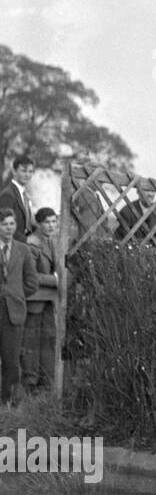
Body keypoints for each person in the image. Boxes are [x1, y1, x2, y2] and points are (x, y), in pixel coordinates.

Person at [0, 207, 38, 403]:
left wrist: (17, 295)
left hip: (13, 312)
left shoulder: (23, 250)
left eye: (12, 224)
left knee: (11, 361)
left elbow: (32, 282)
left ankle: (7, 403)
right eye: (4, 224)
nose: (9, 228)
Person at [21, 208, 59, 393]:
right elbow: (30, 275)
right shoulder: (32, 244)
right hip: (35, 299)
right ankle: (29, 382)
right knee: (31, 341)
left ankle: (46, 381)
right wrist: (56, 280)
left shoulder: (53, 241)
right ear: (38, 223)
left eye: (54, 221)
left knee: (48, 339)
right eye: (47, 222)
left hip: (49, 300)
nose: (51, 226)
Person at [0, 156, 35, 239]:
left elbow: (28, 225)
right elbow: (5, 227)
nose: (27, 175)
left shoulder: (25, 194)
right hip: (15, 245)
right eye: (24, 171)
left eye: (30, 171)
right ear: (14, 171)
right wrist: (27, 241)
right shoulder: (8, 194)